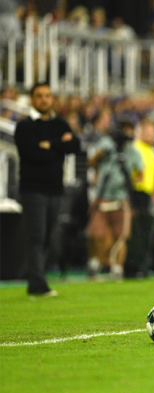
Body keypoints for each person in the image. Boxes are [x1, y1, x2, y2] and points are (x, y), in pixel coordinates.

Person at [14, 82, 81, 296]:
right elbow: (33, 153)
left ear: (52, 99)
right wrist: (58, 145)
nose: (44, 99)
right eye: (39, 96)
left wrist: (49, 145)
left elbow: (75, 146)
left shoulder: (60, 123)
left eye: (48, 95)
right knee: (36, 236)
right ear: (32, 99)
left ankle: (35, 278)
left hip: (55, 189)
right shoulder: (25, 126)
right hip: (33, 189)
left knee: (48, 238)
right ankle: (37, 284)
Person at [86, 120, 143, 280]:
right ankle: (95, 262)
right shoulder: (106, 144)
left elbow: (140, 174)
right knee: (95, 233)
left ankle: (117, 268)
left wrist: (129, 183)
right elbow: (91, 163)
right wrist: (99, 157)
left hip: (121, 198)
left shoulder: (132, 151)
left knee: (121, 236)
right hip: (102, 196)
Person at [124, 117, 154, 278]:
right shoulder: (134, 148)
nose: (150, 135)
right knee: (136, 233)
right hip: (135, 194)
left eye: (152, 132)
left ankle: (142, 266)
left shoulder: (151, 151)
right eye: (147, 132)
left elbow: (151, 176)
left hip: (147, 195)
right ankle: (131, 268)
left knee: (146, 232)